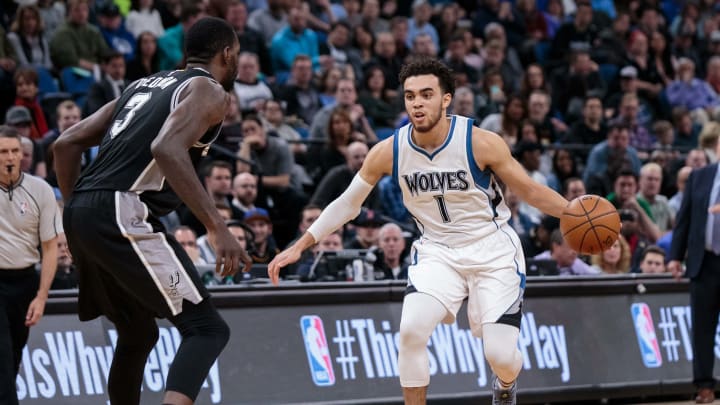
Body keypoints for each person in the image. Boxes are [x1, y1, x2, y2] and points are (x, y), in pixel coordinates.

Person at [268, 58, 570, 405]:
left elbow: (529, 190)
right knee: (410, 332)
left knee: (500, 355)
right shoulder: (389, 150)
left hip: (493, 249)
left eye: (427, 94)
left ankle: (505, 385)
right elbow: (347, 203)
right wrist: (302, 244)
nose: (417, 103)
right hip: (437, 250)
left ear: (446, 99)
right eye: (410, 96)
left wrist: (571, 211)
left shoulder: (480, 142)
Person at [52, 17, 251, 405]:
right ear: (227, 53)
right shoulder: (210, 90)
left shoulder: (140, 85)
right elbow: (166, 148)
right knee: (207, 329)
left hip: (83, 211)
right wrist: (217, 226)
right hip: (121, 208)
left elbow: (65, 144)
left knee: (138, 333)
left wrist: (77, 211)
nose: (238, 64)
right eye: (238, 56)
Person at [0, 125, 62, 405]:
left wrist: (41, 295)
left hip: (25, 282)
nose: (10, 157)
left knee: (13, 357)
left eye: (15, 151)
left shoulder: (41, 190)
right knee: (1, 361)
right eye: (3, 152)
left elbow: (50, 247)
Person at [668, 140, 720, 404]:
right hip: (705, 261)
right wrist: (675, 256)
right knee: (702, 328)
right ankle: (704, 386)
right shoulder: (699, 177)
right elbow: (684, 220)